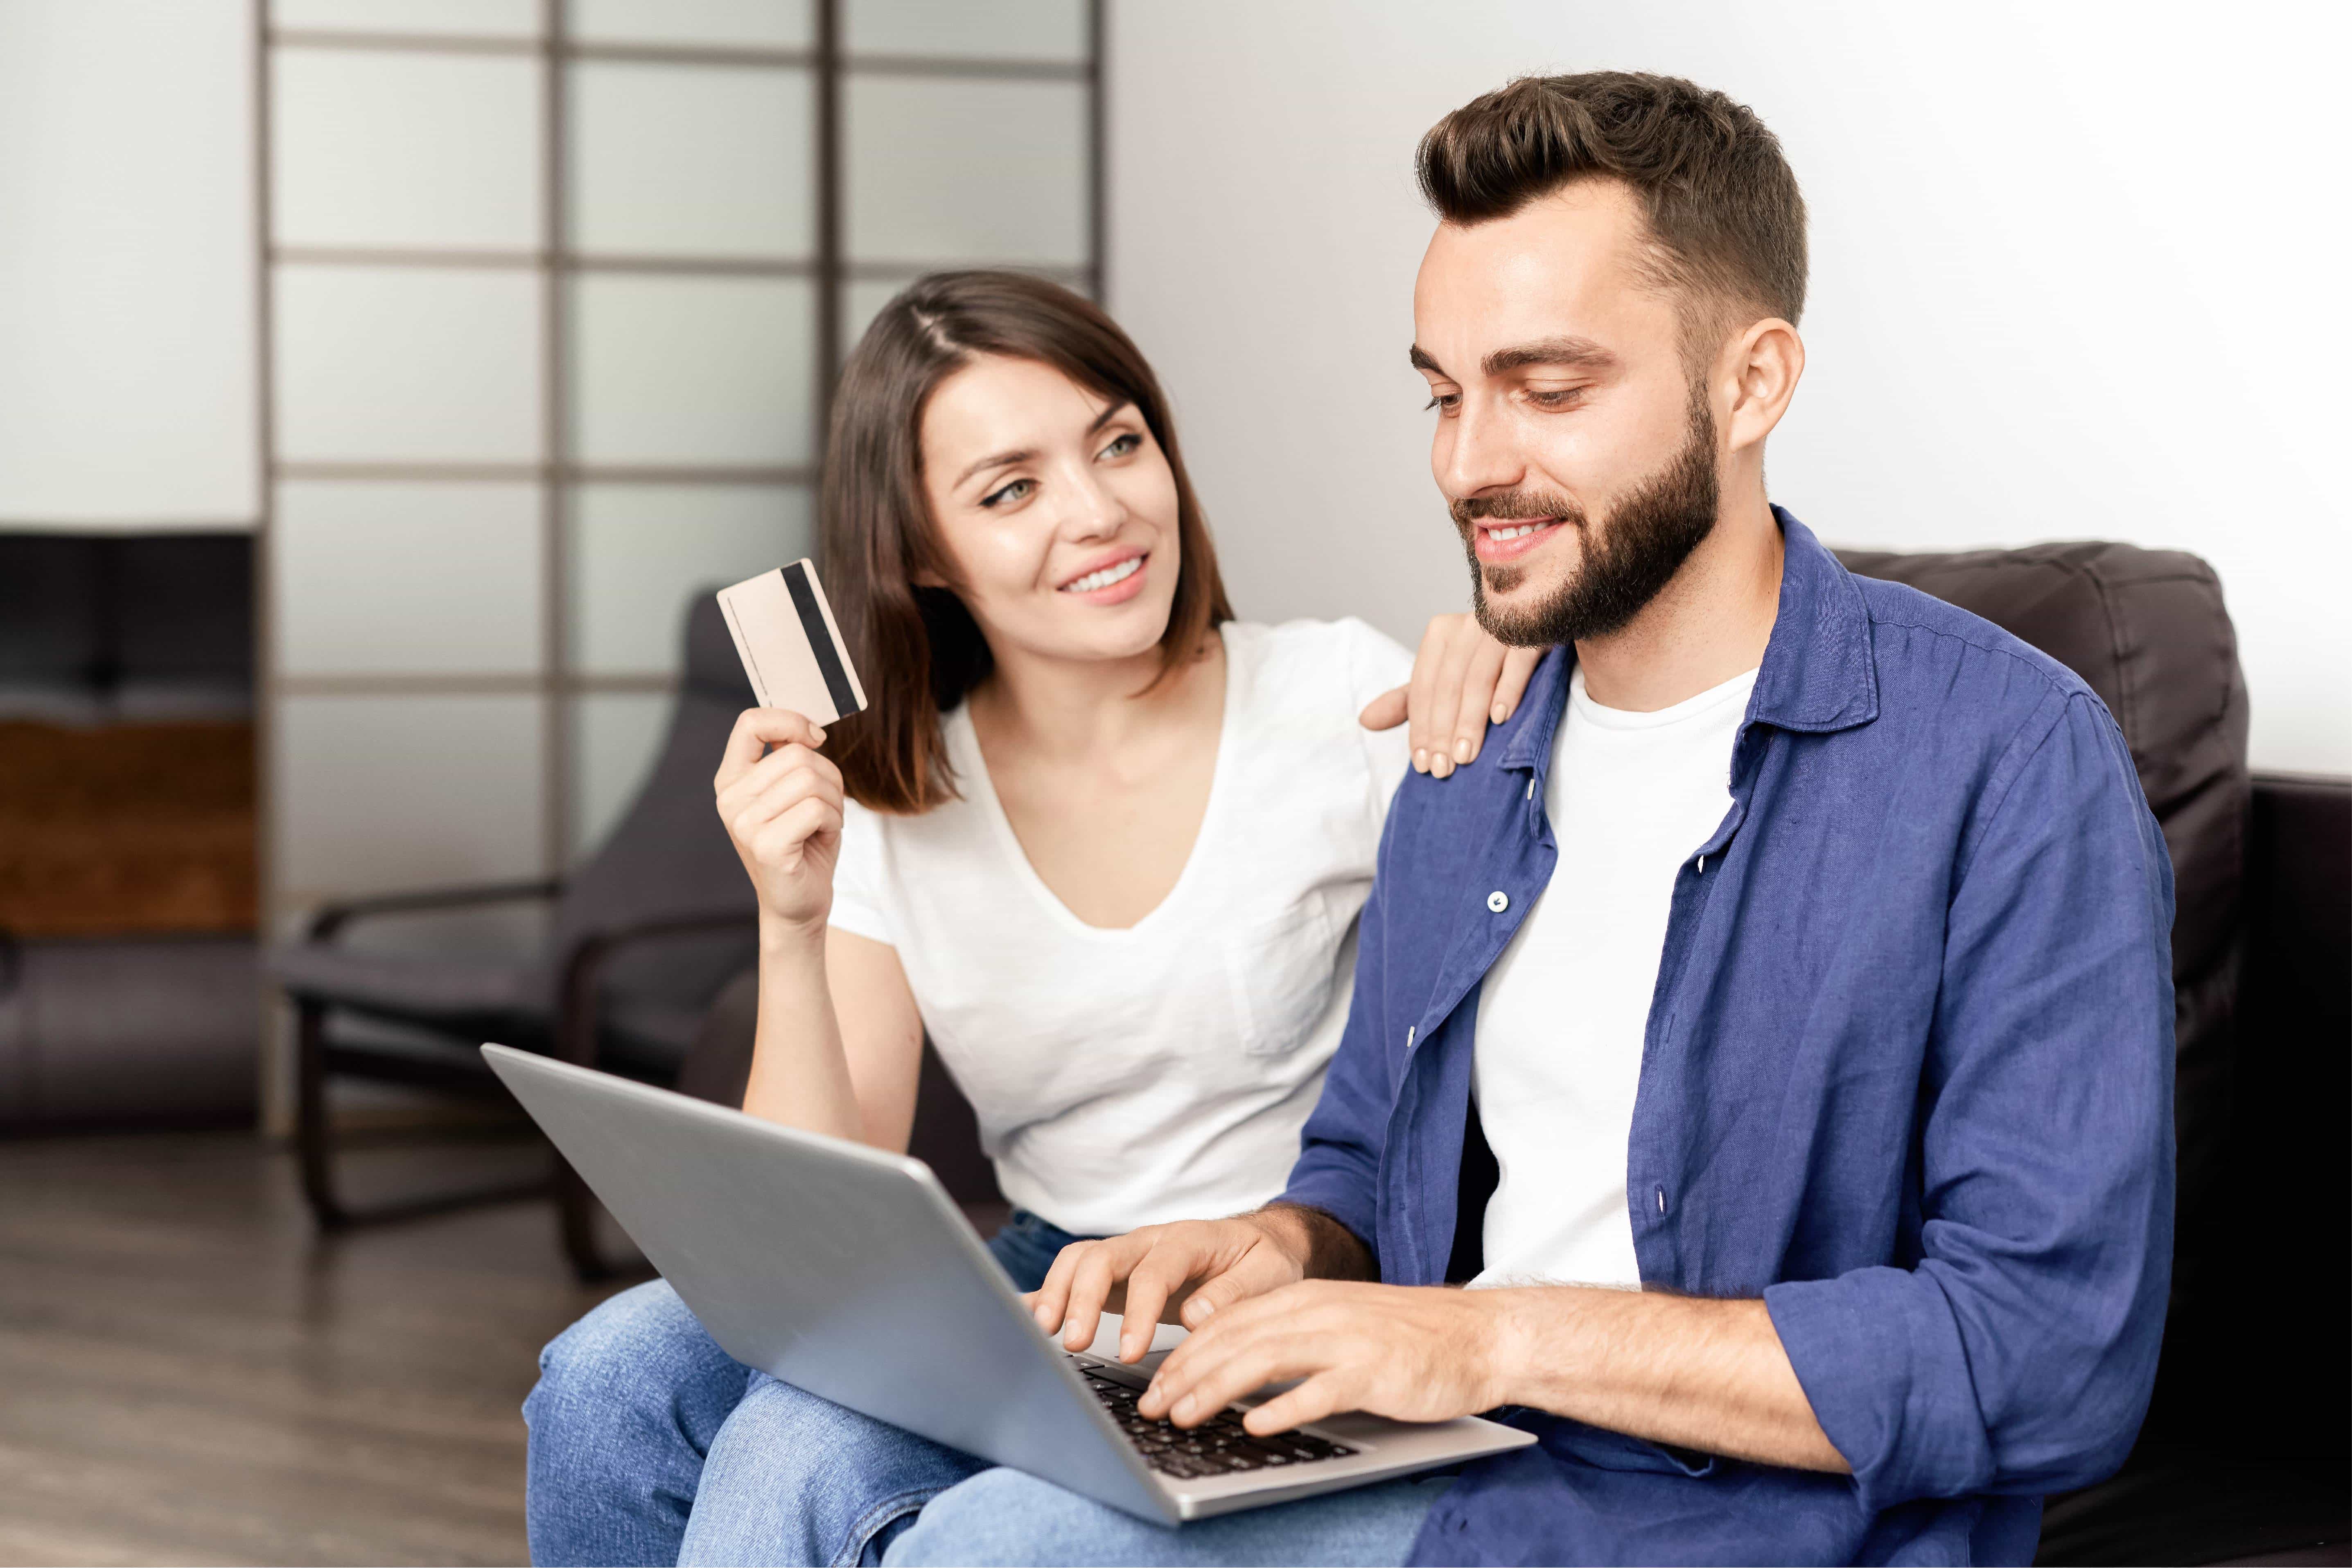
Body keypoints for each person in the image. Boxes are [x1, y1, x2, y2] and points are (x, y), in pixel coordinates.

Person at [675, 72, 2176, 1568]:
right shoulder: (1469, 744)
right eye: (1445, 393)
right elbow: (1361, 1162)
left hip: (1720, 1505)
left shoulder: (2003, 758)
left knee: (1001, 1549)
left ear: (1753, 382)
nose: (1468, 464)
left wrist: (1486, 1340)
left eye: (1550, 389)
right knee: (784, 1453)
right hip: (1441, 1442)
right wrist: (1271, 1247)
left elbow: (2045, 1356)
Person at [520, 270, 1536, 1566]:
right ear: (923, 557)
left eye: (1119, 444)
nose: (1100, 511)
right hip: (1052, 1281)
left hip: (1296, 1263)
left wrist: (1513, 666)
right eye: (1012, 490)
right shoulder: (899, 794)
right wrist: (789, 919)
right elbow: (810, 1223)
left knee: (796, 1449)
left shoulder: (1346, 701)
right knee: (613, 1373)